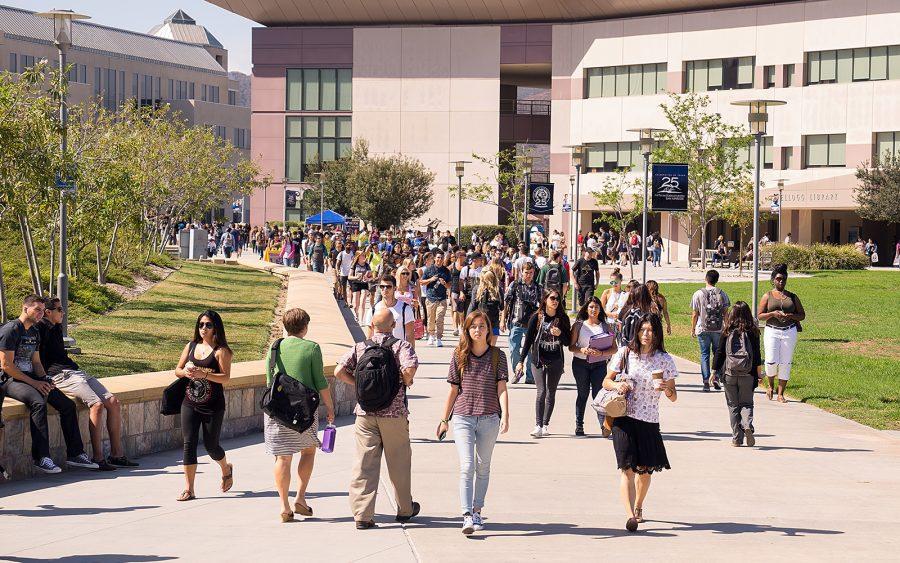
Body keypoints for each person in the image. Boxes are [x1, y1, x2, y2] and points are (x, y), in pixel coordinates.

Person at [335, 309, 420, 529]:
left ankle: (363, 515)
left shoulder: (360, 347)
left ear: (371, 326)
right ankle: (404, 509)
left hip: (365, 413)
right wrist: (402, 382)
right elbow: (409, 369)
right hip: (394, 413)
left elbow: (338, 371)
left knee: (364, 464)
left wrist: (358, 384)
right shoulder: (401, 346)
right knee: (399, 462)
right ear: (393, 326)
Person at [0, 295, 98, 474]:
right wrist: (35, 383)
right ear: (25, 308)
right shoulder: (11, 329)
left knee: (67, 405)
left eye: (42, 310)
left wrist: (45, 379)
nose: (40, 313)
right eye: (36, 309)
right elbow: (6, 366)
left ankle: (75, 454)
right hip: (9, 380)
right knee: (38, 402)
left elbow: (36, 362)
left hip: (31, 378)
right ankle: (41, 457)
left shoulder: (34, 331)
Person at [38, 297, 137, 471]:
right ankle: (98, 458)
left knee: (113, 402)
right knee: (97, 405)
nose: (63, 312)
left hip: (76, 372)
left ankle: (117, 455)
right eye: (60, 309)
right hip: (61, 376)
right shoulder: (40, 329)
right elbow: (39, 361)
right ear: (48, 312)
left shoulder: (56, 327)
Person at [603, 313, 677, 532]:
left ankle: (638, 505)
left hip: (649, 421)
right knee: (627, 469)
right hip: (624, 418)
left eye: (651, 330)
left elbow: (674, 397)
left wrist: (667, 388)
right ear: (636, 331)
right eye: (643, 330)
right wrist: (618, 386)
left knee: (644, 471)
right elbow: (606, 381)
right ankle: (630, 517)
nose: (646, 334)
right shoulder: (626, 353)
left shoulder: (664, 359)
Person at [437, 311, 509, 535]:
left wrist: (505, 414)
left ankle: (478, 510)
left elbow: (502, 388)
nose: (478, 330)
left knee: (483, 466)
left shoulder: (498, 356)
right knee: (467, 466)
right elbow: (453, 390)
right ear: (467, 330)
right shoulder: (459, 355)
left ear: (488, 329)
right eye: (473, 327)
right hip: (463, 417)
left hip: (489, 417)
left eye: (481, 326)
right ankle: (467, 515)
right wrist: (443, 419)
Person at [265, 308, 335, 522]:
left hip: (277, 410)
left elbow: (270, 380)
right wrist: (330, 407)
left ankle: (284, 506)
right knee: (308, 452)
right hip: (304, 411)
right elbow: (320, 381)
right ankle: (300, 497)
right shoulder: (312, 348)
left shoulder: (274, 347)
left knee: (283, 457)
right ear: (305, 326)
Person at [173, 310, 234, 501]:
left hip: (213, 405)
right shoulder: (191, 346)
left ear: (216, 327)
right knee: (188, 443)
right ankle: (189, 489)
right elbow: (177, 370)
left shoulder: (221, 351)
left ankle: (226, 468)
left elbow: (225, 377)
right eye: (200, 325)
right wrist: (186, 373)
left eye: (208, 325)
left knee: (211, 446)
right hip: (190, 402)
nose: (203, 329)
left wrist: (204, 374)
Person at [516, 289, 571, 438]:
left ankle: (546, 424)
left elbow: (568, 342)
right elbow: (527, 341)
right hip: (538, 359)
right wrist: (520, 361)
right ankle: (538, 425)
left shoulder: (563, 319)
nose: (555, 301)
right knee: (541, 391)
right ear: (545, 300)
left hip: (556, 359)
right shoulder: (537, 317)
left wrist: (560, 334)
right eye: (552, 298)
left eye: (557, 299)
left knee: (551, 392)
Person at [712, 301, 763, 447]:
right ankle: (747, 424)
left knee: (733, 405)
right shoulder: (753, 331)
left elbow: (720, 352)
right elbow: (757, 355)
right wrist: (759, 374)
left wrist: (714, 371)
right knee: (746, 403)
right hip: (748, 374)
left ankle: (736, 438)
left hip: (729, 374)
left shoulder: (727, 330)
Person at [569, 296, 617, 437]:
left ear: (600, 310)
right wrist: (581, 350)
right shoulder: (579, 325)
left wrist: (601, 352)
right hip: (580, 364)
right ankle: (579, 425)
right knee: (582, 394)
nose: (593, 310)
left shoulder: (605, 326)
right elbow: (571, 347)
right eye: (591, 307)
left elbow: (614, 348)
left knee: (599, 395)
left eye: (596, 307)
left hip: (599, 365)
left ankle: (603, 426)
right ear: (586, 308)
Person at [757, 264, 806, 403]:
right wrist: (773, 313)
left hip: (789, 331)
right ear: (773, 280)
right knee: (771, 360)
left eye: (783, 279)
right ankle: (770, 386)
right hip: (772, 330)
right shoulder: (768, 295)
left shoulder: (792, 296)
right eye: (778, 279)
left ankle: (781, 393)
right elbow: (759, 315)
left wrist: (790, 316)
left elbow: (802, 315)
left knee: (786, 362)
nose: (781, 282)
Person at [691, 270, 731, 392]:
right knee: (717, 354)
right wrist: (727, 327)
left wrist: (692, 329)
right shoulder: (722, 294)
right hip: (718, 330)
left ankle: (705, 381)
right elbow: (726, 313)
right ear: (717, 280)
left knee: (705, 355)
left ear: (706, 279)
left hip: (702, 329)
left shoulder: (698, 294)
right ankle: (716, 378)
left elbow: (695, 314)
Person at [503, 261, 540, 385]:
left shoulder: (537, 287)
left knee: (530, 350)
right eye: (526, 273)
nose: (528, 275)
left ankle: (530, 375)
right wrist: (502, 320)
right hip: (516, 322)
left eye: (531, 273)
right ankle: (517, 371)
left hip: (532, 325)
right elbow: (507, 302)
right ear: (521, 272)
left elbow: (542, 306)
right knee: (514, 349)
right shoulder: (515, 285)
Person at [365, 275, 416, 349]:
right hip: (379, 354)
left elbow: (410, 335)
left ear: (395, 288)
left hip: (399, 353)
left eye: (388, 287)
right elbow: (369, 337)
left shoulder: (405, 309)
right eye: (382, 286)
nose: (385, 289)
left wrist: (410, 355)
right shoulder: (373, 310)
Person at [421, 250, 452, 347]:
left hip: (442, 298)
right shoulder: (429, 269)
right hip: (430, 298)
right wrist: (430, 279)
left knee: (439, 318)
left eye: (442, 258)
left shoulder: (446, 271)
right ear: (434, 258)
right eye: (438, 257)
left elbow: (449, 285)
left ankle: (439, 338)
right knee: (431, 319)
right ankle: (431, 335)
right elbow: (421, 282)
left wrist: (445, 283)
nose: (440, 259)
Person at [467, 269, 503, 346]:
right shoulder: (498, 290)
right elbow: (502, 306)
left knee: (481, 346)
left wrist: (467, 320)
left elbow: (473, 306)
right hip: (494, 322)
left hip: (481, 323)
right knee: (492, 347)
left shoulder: (477, 289)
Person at [349, 251, 372, 321]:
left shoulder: (367, 265)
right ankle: (356, 315)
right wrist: (356, 277)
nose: (364, 257)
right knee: (356, 305)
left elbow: (371, 277)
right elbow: (349, 277)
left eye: (364, 255)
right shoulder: (354, 265)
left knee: (362, 303)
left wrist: (367, 278)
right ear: (358, 256)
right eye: (362, 255)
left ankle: (361, 320)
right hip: (356, 284)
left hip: (364, 284)